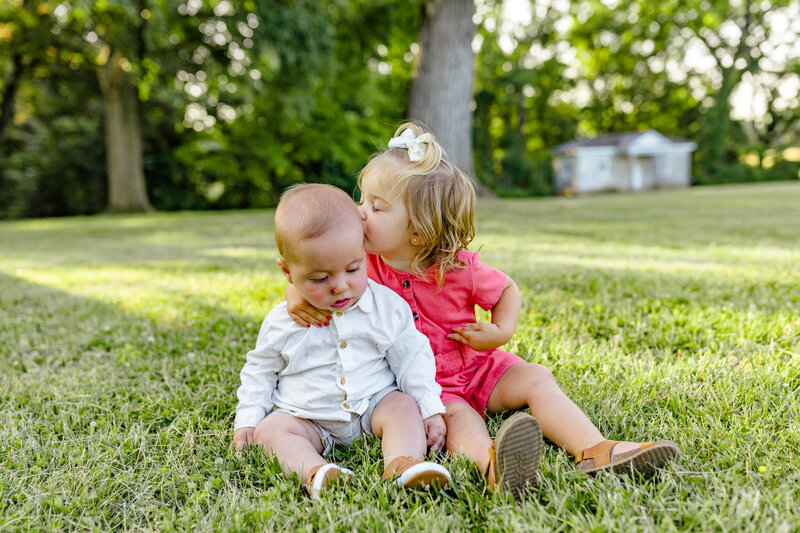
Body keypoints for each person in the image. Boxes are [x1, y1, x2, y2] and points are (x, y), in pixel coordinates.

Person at [286, 123, 679, 500]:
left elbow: (507, 289)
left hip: (480, 364)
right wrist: (293, 294)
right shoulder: (363, 270)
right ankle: (494, 465)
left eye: (375, 206)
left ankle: (596, 449)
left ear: (418, 232)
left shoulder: (459, 267)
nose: (359, 212)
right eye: (361, 201)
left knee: (536, 378)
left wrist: (501, 331)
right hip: (429, 386)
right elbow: (311, 270)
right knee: (461, 422)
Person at [233, 183, 451, 499]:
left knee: (402, 406)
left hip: (372, 405)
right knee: (271, 431)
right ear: (288, 272)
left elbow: (411, 357)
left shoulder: (385, 306)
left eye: (352, 268)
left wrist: (430, 407)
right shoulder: (281, 322)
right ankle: (316, 471)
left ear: (363, 254)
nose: (340, 286)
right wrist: (248, 420)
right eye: (320, 278)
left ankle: (402, 462)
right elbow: (260, 372)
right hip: (308, 417)